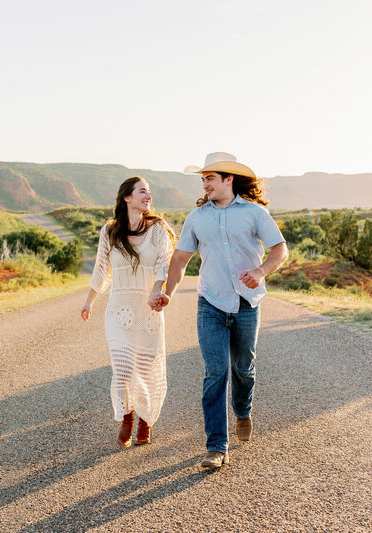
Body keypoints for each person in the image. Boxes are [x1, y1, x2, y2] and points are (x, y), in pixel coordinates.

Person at [151, 152, 288, 469]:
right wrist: (166, 293)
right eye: (203, 179)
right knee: (216, 372)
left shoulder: (254, 213)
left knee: (243, 369)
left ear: (229, 179)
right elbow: (180, 260)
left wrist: (261, 270)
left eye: (210, 178)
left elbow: (280, 249)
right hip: (210, 303)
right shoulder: (197, 218)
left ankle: (243, 410)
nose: (204, 184)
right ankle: (216, 446)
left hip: (245, 304)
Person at [81, 176, 175, 448]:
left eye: (150, 192)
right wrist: (89, 301)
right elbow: (101, 269)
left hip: (148, 309)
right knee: (122, 368)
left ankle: (146, 421)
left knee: (145, 369)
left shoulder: (157, 229)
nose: (148, 196)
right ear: (127, 198)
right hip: (118, 311)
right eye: (143, 191)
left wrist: (156, 290)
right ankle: (127, 418)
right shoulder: (110, 231)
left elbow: (164, 264)